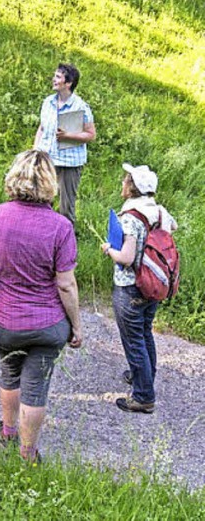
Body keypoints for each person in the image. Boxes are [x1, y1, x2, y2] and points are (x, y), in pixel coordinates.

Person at [0, 150, 82, 463]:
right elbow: (66, 284)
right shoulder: (61, 227)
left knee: (10, 374)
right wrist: (75, 326)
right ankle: (28, 454)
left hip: (5, 321)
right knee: (36, 387)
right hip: (48, 325)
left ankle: (7, 432)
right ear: (51, 183)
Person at [101, 163, 177, 414]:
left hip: (131, 285)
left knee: (133, 339)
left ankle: (143, 396)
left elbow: (126, 258)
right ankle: (143, 376)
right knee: (144, 333)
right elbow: (172, 228)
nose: (122, 182)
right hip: (152, 283)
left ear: (133, 188)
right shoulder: (157, 211)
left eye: (126, 180)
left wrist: (108, 249)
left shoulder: (131, 217)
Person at [34, 64, 95, 226]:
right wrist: (35, 151)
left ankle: (66, 243)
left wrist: (68, 136)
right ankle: (42, 235)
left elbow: (91, 134)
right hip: (47, 159)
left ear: (68, 83)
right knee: (41, 199)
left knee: (65, 206)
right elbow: (41, 128)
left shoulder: (81, 107)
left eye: (58, 77)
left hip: (69, 163)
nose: (54, 79)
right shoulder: (48, 102)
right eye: (55, 76)